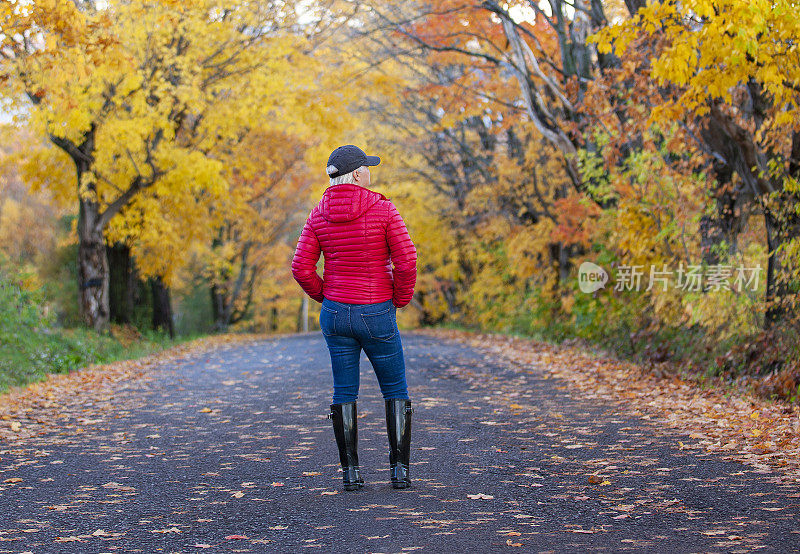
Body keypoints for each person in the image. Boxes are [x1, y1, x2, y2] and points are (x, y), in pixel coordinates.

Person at [291, 144, 418, 491]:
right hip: (376, 310)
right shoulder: (383, 209)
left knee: (343, 390)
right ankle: (399, 472)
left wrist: (326, 296)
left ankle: (350, 474)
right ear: (359, 174)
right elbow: (406, 260)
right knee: (395, 388)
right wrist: (400, 299)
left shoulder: (318, 214)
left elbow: (301, 267)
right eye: (368, 168)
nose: (371, 173)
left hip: (336, 313)